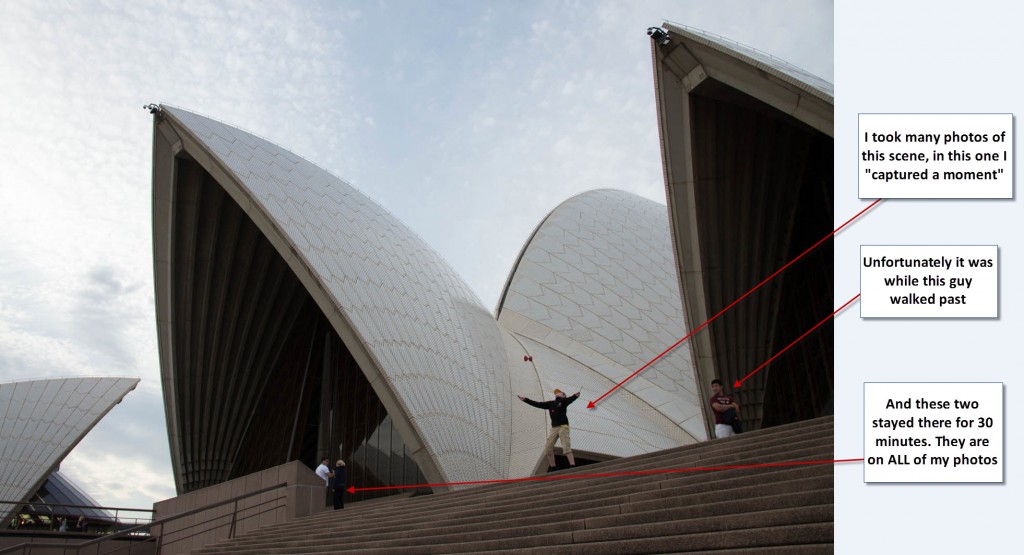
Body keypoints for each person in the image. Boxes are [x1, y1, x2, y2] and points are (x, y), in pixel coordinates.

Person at [518, 388, 580, 471]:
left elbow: (570, 399)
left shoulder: (563, 401)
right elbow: (538, 404)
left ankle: (572, 466)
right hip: (554, 428)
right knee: (548, 449)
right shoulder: (551, 403)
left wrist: (575, 396)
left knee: (566, 447)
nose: (557, 393)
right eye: (556, 393)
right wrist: (526, 400)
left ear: (563, 395)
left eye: (560, 392)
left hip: (563, 427)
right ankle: (553, 467)